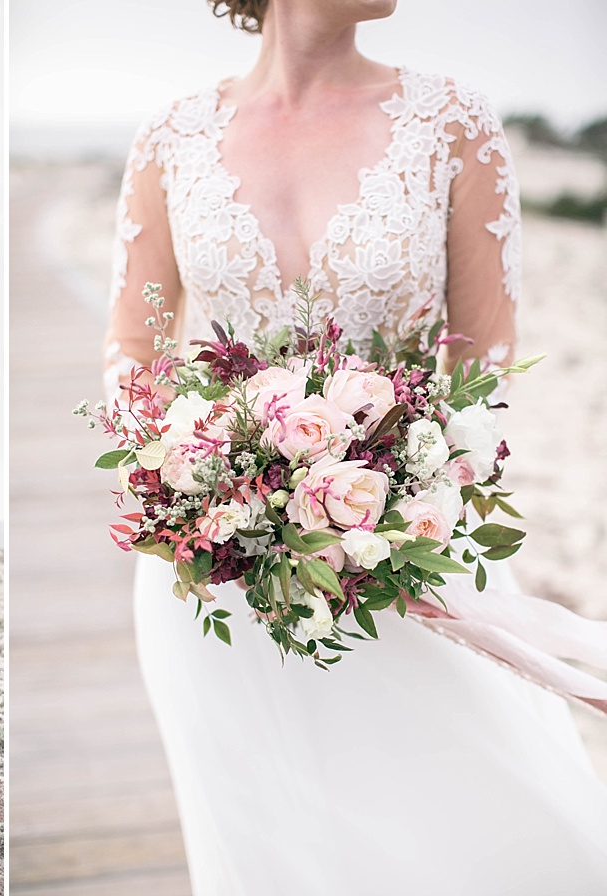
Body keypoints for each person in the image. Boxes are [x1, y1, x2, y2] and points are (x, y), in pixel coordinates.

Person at [104, 1, 607, 892]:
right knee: (280, 853)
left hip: (399, 547)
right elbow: (133, 352)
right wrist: (190, 475)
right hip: (215, 572)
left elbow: (487, 363)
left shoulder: (453, 123)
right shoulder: (170, 135)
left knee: (512, 829)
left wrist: (406, 486)